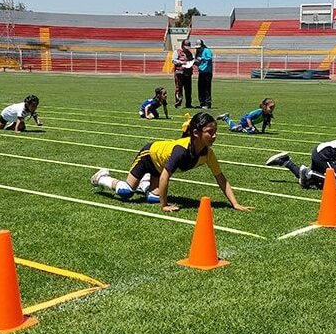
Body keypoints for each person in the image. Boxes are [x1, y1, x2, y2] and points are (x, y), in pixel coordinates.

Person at [90, 112, 253, 212]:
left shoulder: (208, 154)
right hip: (149, 156)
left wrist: (235, 204)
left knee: (152, 198)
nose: (215, 136)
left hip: (159, 165)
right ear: (196, 133)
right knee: (126, 192)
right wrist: (165, 205)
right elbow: (165, 177)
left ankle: (145, 183)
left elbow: (221, 179)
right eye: (210, 132)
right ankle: (101, 177)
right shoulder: (180, 150)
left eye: (215, 132)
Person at [172, 39, 194, 109]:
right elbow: (173, 60)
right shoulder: (177, 52)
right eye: (185, 47)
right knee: (179, 89)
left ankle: (188, 104)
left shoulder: (190, 53)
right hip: (179, 74)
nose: (187, 49)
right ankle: (178, 104)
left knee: (188, 89)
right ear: (182, 45)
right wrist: (181, 63)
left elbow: (192, 60)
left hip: (188, 73)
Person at [194, 39, 213, 109]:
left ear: (202, 46)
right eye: (197, 48)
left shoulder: (207, 50)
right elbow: (198, 62)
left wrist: (202, 58)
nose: (198, 49)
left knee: (207, 89)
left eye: (199, 48)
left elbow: (209, 58)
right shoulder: (198, 52)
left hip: (207, 73)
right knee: (200, 88)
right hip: (201, 72)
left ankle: (207, 103)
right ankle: (202, 103)